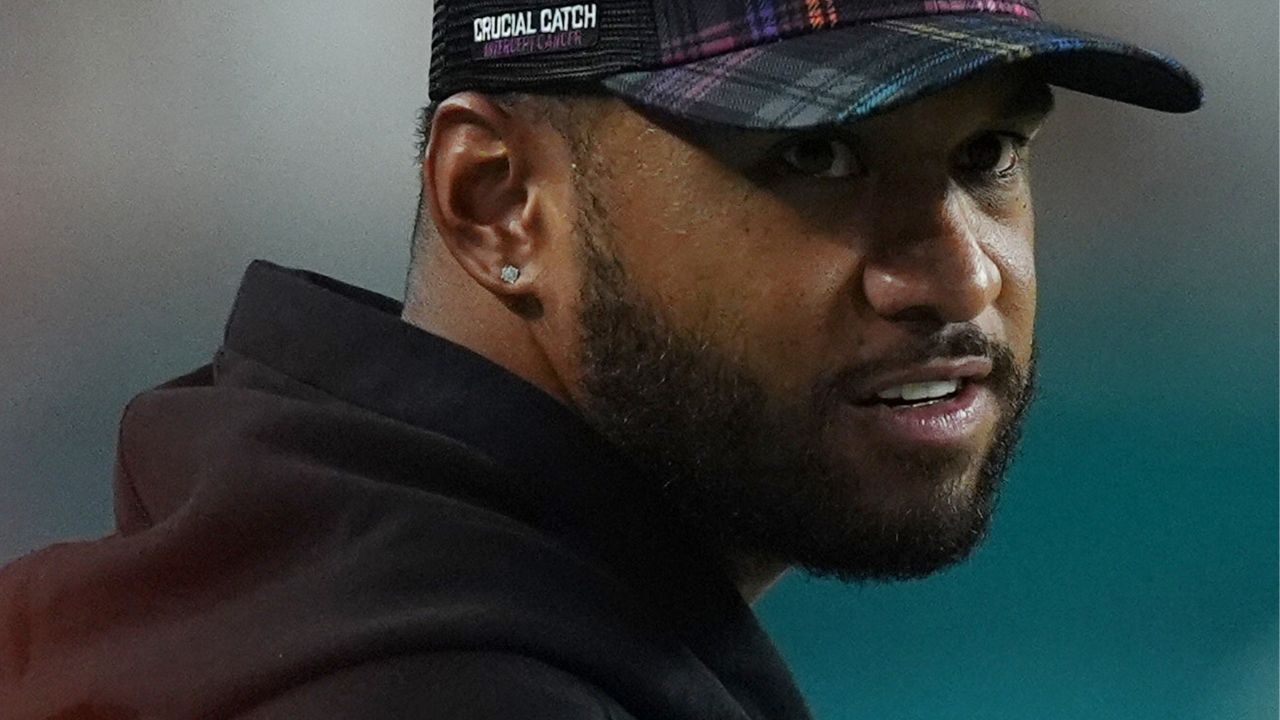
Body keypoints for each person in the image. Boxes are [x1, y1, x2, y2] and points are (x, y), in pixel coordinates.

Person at [0, 1, 1201, 718]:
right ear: (498, 201)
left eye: (986, 153)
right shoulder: (432, 695)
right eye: (817, 158)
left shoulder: (284, 602)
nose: (957, 276)